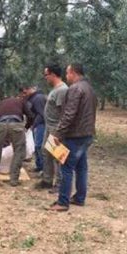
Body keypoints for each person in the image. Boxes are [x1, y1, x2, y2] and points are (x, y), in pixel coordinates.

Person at [48, 63, 96, 212]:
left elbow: (69, 114)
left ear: (73, 73)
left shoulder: (75, 89)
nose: (66, 76)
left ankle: (63, 202)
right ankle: (79, 198)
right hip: (87, 134)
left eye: (67, 73)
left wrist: (58, 133)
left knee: (66, 168)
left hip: (75, 135)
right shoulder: (90, 89)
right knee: (81, 167)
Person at [35, 64, 68, 193]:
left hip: (56, 128)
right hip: (49, 126)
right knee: (46, 152)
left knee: (58, 156)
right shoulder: (55, 89)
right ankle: (47, 180)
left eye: (46, 75)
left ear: (53, 74)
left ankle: (60, 184)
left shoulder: (62, 90)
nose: (45, 77)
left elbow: (63, 112)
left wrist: (60, 131)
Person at [0, 95, 34, 186]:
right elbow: (30, 116)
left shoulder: (1, 102)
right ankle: (14, 179)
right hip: (16, 124)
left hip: (1, 124)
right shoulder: (21, 101)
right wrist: (26, 127)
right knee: (19, 150)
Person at [21, 85, 47, 172]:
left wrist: (34, 125)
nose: (24, 95)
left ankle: (43, 168)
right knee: (36, 147)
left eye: (25, 92)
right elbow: (31, 115)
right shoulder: (31, 98)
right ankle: (39, 166)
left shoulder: (38, 98)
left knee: (39, 146)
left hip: (41, 125)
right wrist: (27, 126)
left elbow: (41, 114)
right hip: (36, 125)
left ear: (31, 89)